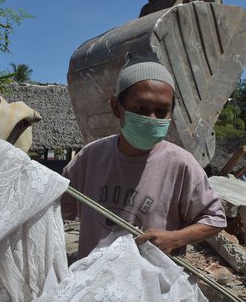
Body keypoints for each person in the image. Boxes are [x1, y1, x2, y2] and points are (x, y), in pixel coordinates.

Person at [61, 54, 227, 259]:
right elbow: (58, 206)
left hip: (153, 284)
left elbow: (215, 219)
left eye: (161, 111)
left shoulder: (181, 164)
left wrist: (175, 238)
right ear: (116, 107)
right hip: (96, 283)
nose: (152, 118)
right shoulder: (90, 157)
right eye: (141, 108)